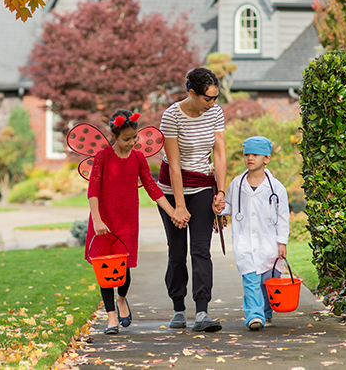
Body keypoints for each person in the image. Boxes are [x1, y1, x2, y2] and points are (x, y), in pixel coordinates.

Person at [86, 109, 181, 335]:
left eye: (134, 138)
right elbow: (93, 190)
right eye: (126, 139)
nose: (131, 143)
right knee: (105, 269)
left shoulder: (138, 158)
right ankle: (110, 317)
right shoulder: (103, 157)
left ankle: (121, 299)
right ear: (115, 136)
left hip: (127, 222)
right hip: (103, 222)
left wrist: (173, 211)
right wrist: (97, 219)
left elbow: (152, 187)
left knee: (124, 270)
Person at [157, 67, 227, 332]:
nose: (213, 103)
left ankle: (201, 312)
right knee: (176, 252)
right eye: (207, 98)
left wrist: (220, 192)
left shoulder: (215, 113)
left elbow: (219, 154)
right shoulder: (171, 116)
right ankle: (177, 308)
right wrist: (179, 206)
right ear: (192, 93)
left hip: (202, 186)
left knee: (200, 249)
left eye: (215, 97)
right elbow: (174, 166)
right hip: (171, 189)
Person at [219, 136, 290, 330]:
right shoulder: (237, 183)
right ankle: (254, 316)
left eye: (255, 155)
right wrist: (219, 208)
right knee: (250, 280)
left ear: (267, 159)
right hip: (244, 242)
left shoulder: (277, 188)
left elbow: (283, 217)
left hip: (270, 243)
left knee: (268, 282)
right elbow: (230, 206)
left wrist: (282, 243)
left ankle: (266, 313)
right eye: (247, 154)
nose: (250, 158)